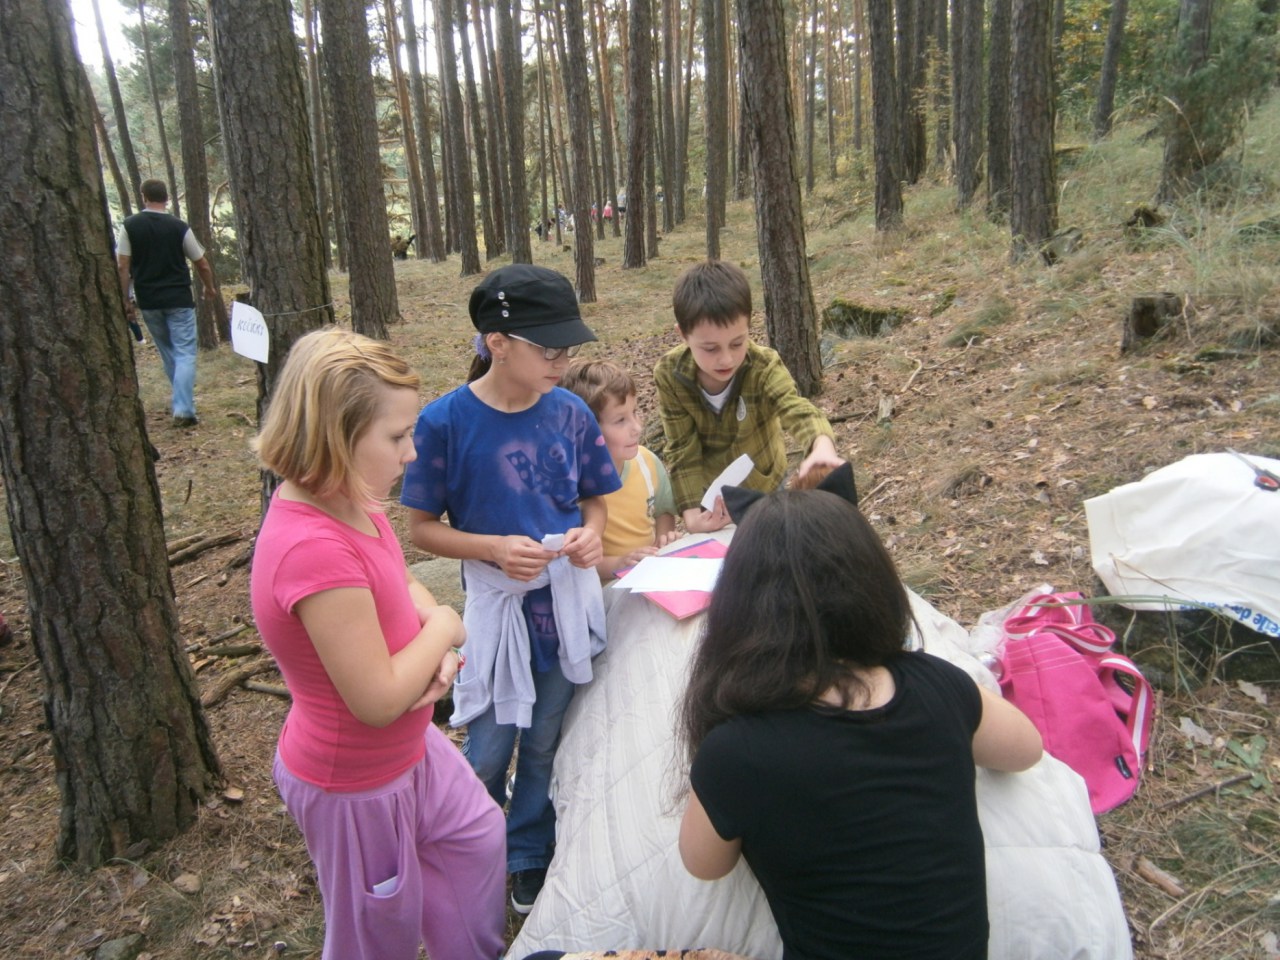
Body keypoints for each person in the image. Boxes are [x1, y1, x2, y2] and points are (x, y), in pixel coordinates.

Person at [675, 469, 1044, 960]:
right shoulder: (936, 685)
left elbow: (703, 865)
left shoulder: (736, 751)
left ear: (739, 606)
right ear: (875, 584)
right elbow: (1026, 749)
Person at [250, 329, 506, 960]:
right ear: (336, 436)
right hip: (356, 784)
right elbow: (377, 699)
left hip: (413, 752)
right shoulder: (311, 547)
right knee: (377, 935)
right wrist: (445, 625)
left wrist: (431, 635)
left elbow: (398, 581)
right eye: (396, 437)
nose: (411, 452)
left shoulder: (352, 500)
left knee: (475, 838)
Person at [400, 263, 622, 916]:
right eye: (548, 349)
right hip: (497, 616)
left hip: (562, 610)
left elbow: (594, 499)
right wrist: (492, 549)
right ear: (497, 343)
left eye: (567, 348)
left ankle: (528, 852)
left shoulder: (571, 414)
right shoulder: (445, 423)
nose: (562, 361)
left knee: (546, 738)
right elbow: (421, 529)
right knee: (491, 743)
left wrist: (590, 536)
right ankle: (468, 847)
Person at [654, 259, 842, 533]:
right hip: (713, 497)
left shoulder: (764, 365)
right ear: (682, 334)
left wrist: (821, 445)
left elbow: (795, 408)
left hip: (765, 483)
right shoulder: (670, 375)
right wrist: (692, 513)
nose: (726, 359)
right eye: (710, 348)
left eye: (737, 343)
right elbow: (683, 448)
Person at [559, 359, 679, 580]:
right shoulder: (571, 484)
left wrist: (664, 541)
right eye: (620, 420)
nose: (637, 427)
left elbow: (664, 512)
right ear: (586, 430)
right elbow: (571, 560)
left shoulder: (647, 462)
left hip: (650, 577)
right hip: (604, 591)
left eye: (635, 412)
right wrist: (619, 564)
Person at [116, 178, 216, 427]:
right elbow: (201, 262)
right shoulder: (179, 227)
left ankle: (183, 403)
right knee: (185, 353)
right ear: (167, 198)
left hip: (149, 301)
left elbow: (122, 265)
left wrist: (125, 298)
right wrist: (209, 287)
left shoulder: (129, 226)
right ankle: (183, 407)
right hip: (179, 299)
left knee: (169, 353)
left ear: (144, 197)